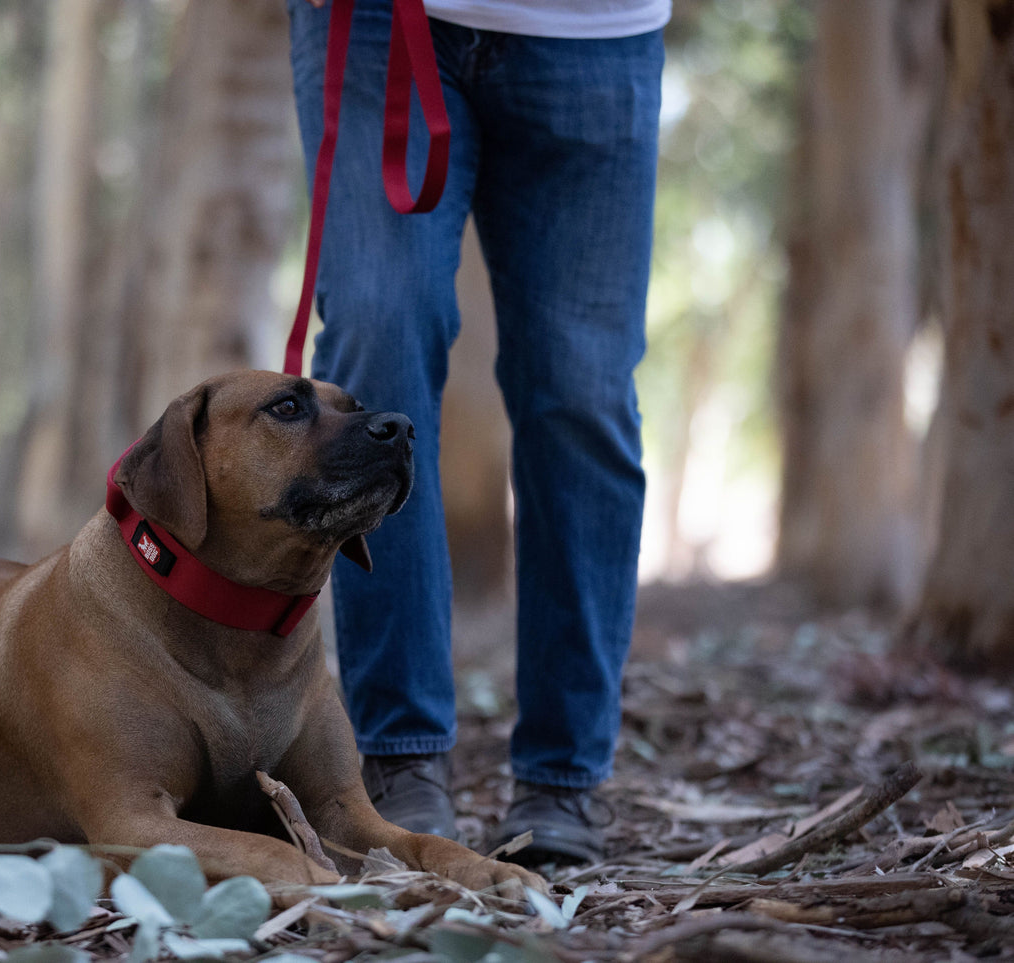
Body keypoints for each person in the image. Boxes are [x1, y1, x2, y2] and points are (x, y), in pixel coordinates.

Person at [286, 0, 668, 865]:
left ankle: (563, 776)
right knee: (376, 341)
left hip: (594, 36)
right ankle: (400, 759)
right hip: (382, 25)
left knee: (581, 387)